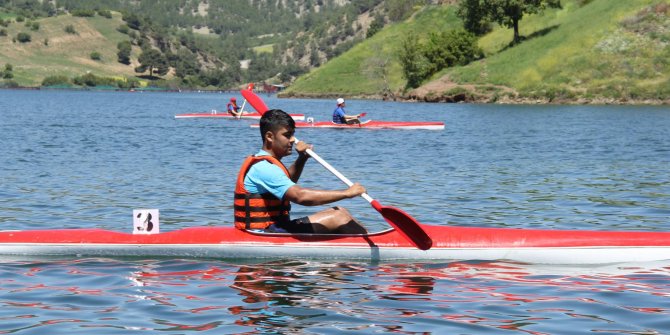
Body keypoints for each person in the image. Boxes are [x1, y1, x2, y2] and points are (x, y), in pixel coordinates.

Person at [234, 109, 368, 234]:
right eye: (287, 135)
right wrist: (347, 193)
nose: (292, 140)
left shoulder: (266, 163)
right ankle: (375, 244)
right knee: (338, 217)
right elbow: (300, 196)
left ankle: (369, 240)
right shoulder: (264, 168)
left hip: (274, 228)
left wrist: (302, 158)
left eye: (292, 134)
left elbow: (287, 183)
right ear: (269, 136)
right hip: (264, 234)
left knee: (340, 211)